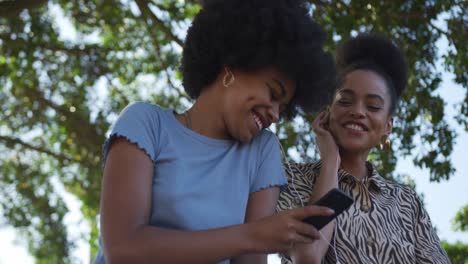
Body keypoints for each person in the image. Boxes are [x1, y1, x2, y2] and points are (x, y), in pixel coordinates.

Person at [93, 0, 338, 263]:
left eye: (283, 107)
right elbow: (123, 248)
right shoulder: (145, 123)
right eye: (273, 93)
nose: (275, 115)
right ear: (233, 64)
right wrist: (253, 235)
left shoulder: (261, 151)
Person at [276, 33, 450, 264]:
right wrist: (330, 161)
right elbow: (308, 256)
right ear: (328, 112)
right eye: (345, 101)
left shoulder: (406, 201)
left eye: (373, 106)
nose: (358, 111)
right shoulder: (291, 179)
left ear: (387, 126)